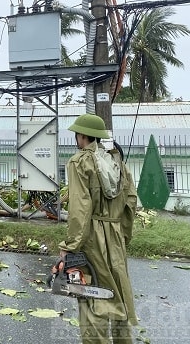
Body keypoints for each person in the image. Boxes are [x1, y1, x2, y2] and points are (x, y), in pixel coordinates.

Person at [60, 114, 137, 343]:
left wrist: (70, 246)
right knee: (119, 294)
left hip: (91, 239)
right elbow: (131, 202)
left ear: (82, 136)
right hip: (115, 237)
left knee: (92, 297)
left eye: (77, 134)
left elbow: (80, 209)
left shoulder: (79, 162)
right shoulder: (118, 163)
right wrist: (123, 236)